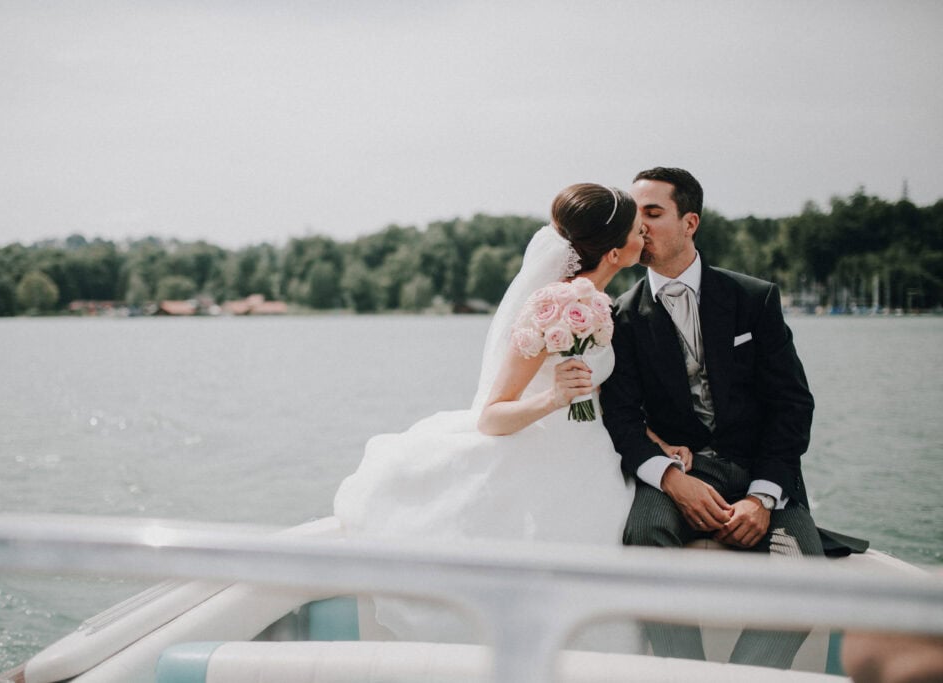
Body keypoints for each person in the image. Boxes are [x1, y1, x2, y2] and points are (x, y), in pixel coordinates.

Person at [334, 183, 650, 650]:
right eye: (639, 230)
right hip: (541, 453)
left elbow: (599, 396)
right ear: (616, 253)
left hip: (590, 455)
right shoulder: (548, 310)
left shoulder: (600, 304)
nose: (645, 236)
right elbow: (492, 417)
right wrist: (554, 398)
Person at [600, 167, 824, 668]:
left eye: (653, 213)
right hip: (678, 471)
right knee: (645, 537)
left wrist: (762, 497)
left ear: (690, 222)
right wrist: (673, 480)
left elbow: (792, 404)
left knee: (805, 572)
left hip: (758, 466)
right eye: (635, 216)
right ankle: (684, 674)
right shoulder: (619, 317)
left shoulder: (754, 298)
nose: (640, 227)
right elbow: (621, 417)